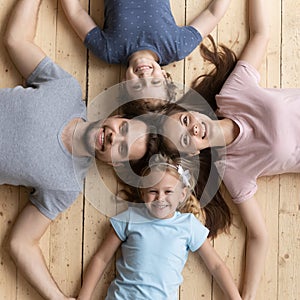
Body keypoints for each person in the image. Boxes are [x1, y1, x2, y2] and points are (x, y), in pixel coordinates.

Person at [1, 0, 157, 299]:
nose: (114, 138)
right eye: (123, 129)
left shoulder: (67, 185)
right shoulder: (66, 89)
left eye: (122, 150)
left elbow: (21, 244)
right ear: (119, 117)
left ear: (116, 165)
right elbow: (16, 40)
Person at [160, 0, 300, 298]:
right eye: (186, 140)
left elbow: (261, 34)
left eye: (186, 121)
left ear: (194, 112)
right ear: (193, 153)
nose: (193, 129)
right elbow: (258, 235)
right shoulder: (232, 170)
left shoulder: (233, 94)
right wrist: (246, 296)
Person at [77, 154, 242, 300]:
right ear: (143, 193)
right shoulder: (130, 218)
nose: (160, 198)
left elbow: (216, 265)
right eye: (153, 191)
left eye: (168, 191)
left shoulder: (188, 225)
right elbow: (101, 258)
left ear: (182, 194)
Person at [59, 0, 232, 99]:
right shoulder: (177, 47)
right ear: (165, 77)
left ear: (125, 84)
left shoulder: (108, 50)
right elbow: (213, 14)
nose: (144, 76)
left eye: (138, 86)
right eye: (155, 82)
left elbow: (75, 13)